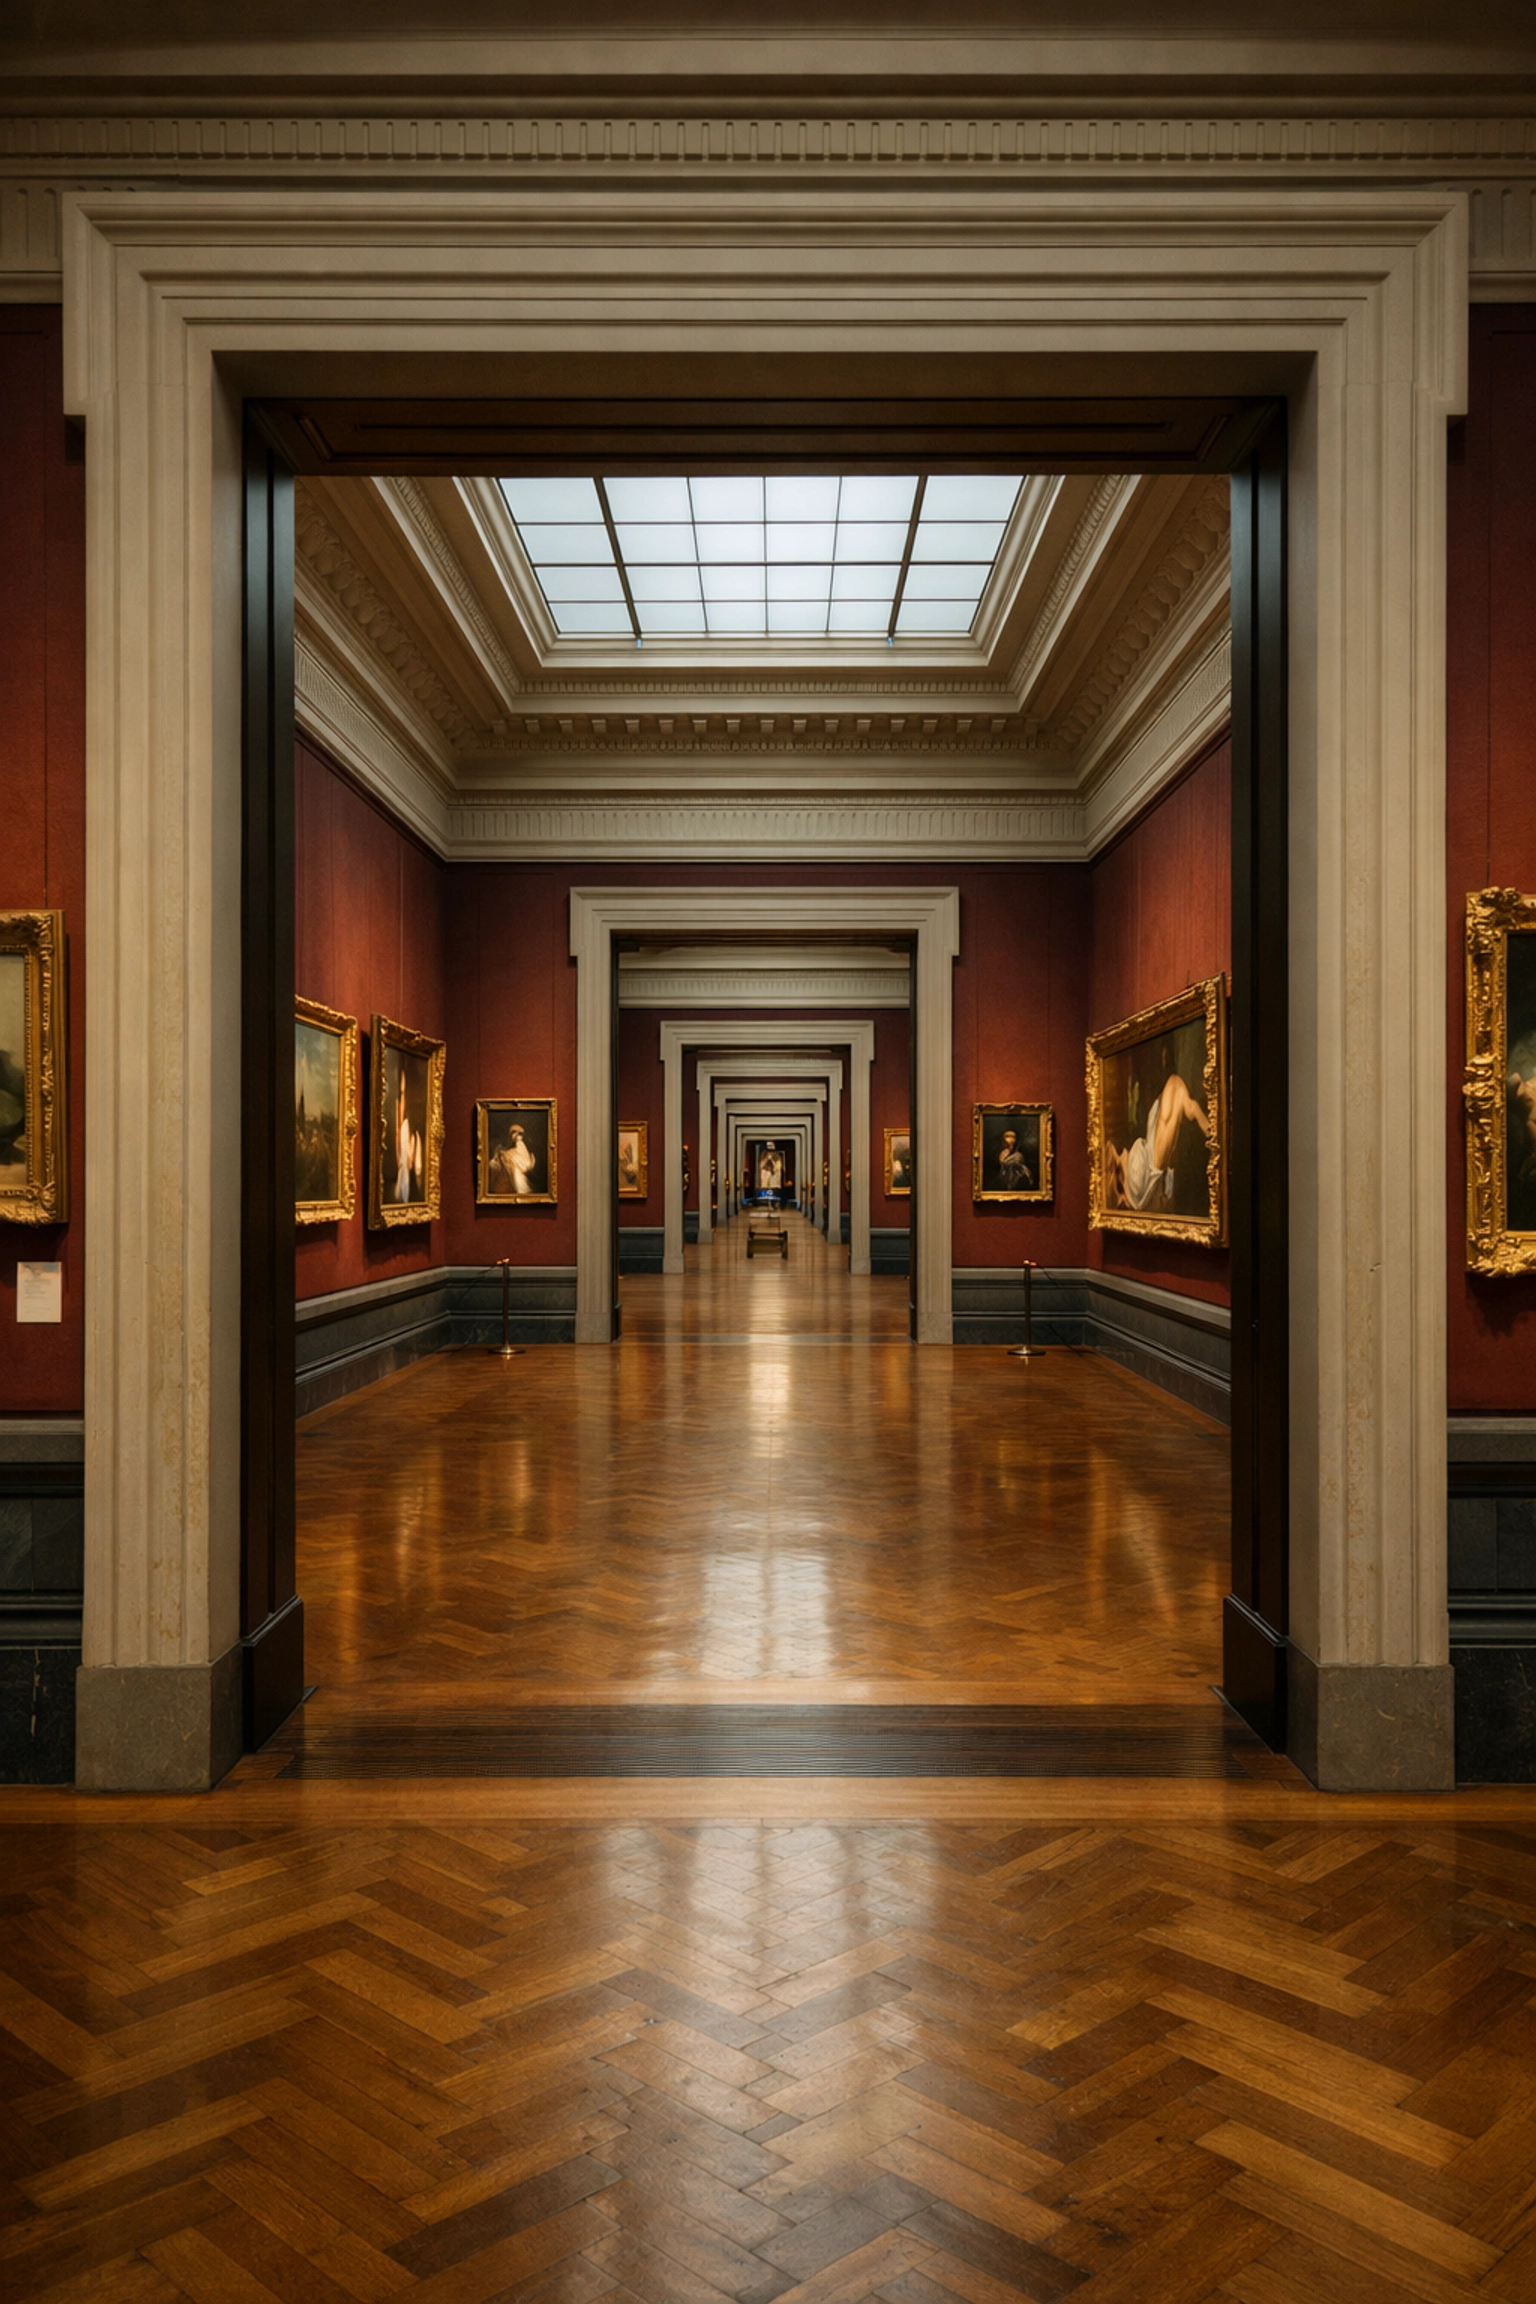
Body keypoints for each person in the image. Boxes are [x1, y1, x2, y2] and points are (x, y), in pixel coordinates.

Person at [1106, 1051, 1209, 1213]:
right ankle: (1193, 1111)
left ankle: (1192, 1109)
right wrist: (1121, 1163)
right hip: (1157, 1155)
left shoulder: (1132, 1187)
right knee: (1175, 1089)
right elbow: (1140, 1157)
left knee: (1175, 1089)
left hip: (1156, 1151)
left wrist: (1120, 1160)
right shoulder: (1133, 1187)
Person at [393, 1064, 423, 1202]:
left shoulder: (415, 1133)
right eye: (400, 1094)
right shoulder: (403, 1128)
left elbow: (417, 1169)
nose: (401, 1102)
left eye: (404, 1094)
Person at [492, 1121, 537, 1196]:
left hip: (517, 1174)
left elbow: (524, 1163)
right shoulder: (508, 1147)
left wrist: (505, 1155)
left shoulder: (520, 1145)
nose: (516, 1136)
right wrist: (501, 1154)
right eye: (513, 1133)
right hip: (507, 1176)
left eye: (519, 1134)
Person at [994, 1126, 1033, 1192]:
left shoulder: (1018, 1156)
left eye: (1013, 1137)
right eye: (1007, 1136)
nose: (1011, 1140)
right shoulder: (997, 1154)